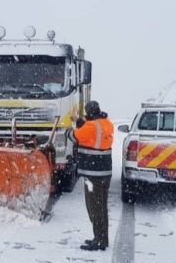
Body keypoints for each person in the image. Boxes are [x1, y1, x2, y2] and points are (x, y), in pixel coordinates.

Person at [65, 100, 114, 251]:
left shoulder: (91, 126)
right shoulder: (106, 123)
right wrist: (81, 122)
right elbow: (90, 133)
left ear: (89, 112)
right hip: (104, 173)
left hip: (93, 176)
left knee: (94, 207)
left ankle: (99, 241)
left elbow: (74, 136)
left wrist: (68, 129)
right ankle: (101, 238)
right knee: (102, 207)